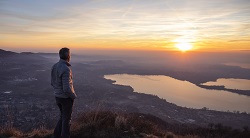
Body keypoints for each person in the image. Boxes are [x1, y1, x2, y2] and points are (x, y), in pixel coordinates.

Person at [51, 47, 77, 138]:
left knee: (63, 117)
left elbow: (52, 82)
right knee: (67, 120)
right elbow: (66, 88)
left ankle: (56, 135)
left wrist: (57, 92)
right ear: (68, 56)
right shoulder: (66, 69)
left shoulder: (54, 66)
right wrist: (73, 96)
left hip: (57, 96)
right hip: (66, 98)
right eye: (70, 54)